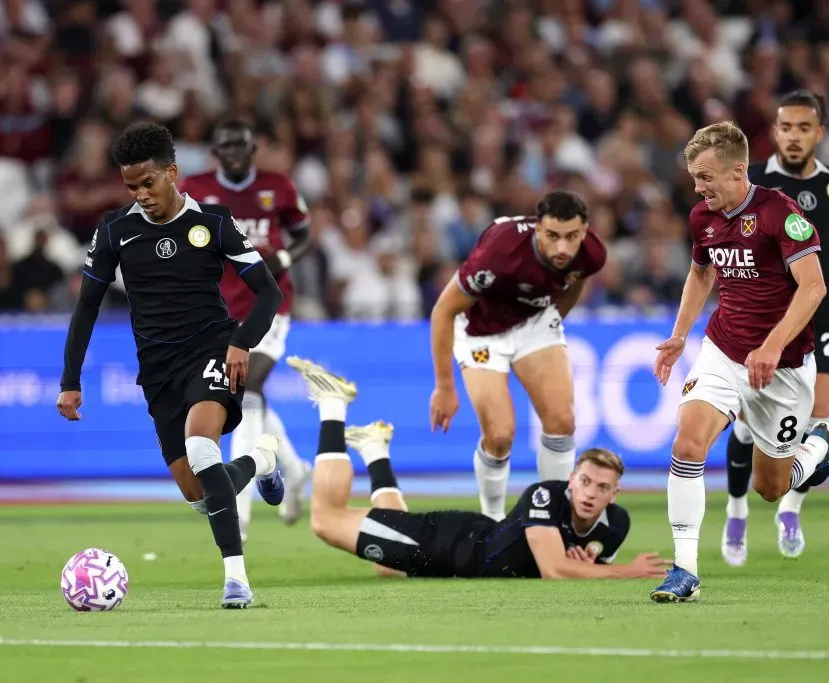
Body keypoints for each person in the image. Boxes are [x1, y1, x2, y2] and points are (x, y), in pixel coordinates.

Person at [56, 121, 284, 609]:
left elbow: (269, 290)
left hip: (213, 350)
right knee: (199, 493)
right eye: (131, 187)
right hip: (158, 371)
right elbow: (87, 307)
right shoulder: (116, 231)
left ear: (172, 172)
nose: (141, 195)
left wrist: (242, 342)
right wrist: (70, 381)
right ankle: (263, 458)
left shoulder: (215, 224)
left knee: (203, 447)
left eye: (148, 183)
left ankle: (236, 580)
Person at [651, 121, 829, 603]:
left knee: (769, 488)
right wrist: (678, 336)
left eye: (706, 176)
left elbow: (814, 286)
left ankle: (817, 447)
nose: (698, 187)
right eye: (694, 177)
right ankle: (684, 570)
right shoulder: (702, 219)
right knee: (688, 443)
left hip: (785, 368)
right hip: (724, 351)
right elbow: (700, 275)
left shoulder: (782, 214)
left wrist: (773, 345)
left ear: (738, 170)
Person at [287, 356, 671, 580]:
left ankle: (374, 451)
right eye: (584, 481)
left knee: (388, 568)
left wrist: (591, 562)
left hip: (458, 554)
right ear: (572, 480)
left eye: (601, 487)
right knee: (325, 519)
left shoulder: (616, 523)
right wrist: (627, 570)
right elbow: (555, 569)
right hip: (444, 543)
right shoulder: (546, 495)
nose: (589, 492)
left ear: (614, 494)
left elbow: (581, 564)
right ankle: (333, 406)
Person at [722, 91, 829, 564]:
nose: (793, 137)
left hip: (823, 310)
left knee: (816, 417)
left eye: (803, 128)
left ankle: (790, 509)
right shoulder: (751, 182)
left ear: (819, 133)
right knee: (749, 427)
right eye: (785, 128)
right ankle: (736, 512)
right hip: (766, 315)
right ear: (774, 133)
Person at [429, 191, 606, 522]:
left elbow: (576, 279)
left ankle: (552, 520)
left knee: (562, 421)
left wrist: (554, 318)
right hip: (481, 330)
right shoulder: (500, 252)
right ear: (538, 229)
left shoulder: (592, 253)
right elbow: (443, 310)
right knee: (499, 436)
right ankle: (493, 520)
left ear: (584, 231)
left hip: (533, 324)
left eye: (572, 237)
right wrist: (444, 386)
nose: (563, 248)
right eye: (553, 236)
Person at [179, 119, 313, 537]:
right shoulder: (195, 189)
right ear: (215, 153)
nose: (234, 152)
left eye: (241, 145)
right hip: (219, 308)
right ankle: (292, 468)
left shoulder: (280, 186)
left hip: (270, 302)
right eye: (225, 146)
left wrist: (285, 260)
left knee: (248, 388)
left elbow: (304, 233)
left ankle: (240, 511)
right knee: (244, 394)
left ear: (253, 148)